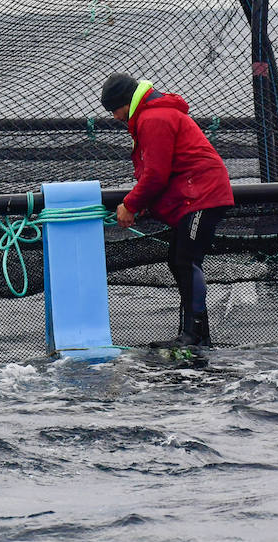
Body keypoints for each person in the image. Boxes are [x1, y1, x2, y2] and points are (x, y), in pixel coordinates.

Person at [100, 73, 233, 347]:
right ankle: (194, 334)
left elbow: (157, 174)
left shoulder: (153, 119)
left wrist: (131, 204)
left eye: (114, 109)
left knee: (186, 261)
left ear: (127, 102)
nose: (114, 117)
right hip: (195, 195)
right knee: (179, 260)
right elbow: (164, 171)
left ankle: (196, 336)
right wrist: (145, 202)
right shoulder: (153, 114)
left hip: (203, 196)